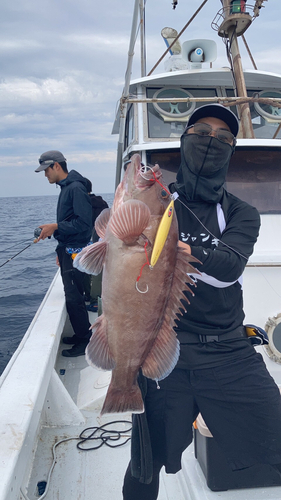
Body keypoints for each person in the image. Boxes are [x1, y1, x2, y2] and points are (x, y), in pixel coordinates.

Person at [122, 104, 281, 499]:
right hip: (162, 349)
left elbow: (227, 268)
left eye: (225, 138)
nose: (212, 141)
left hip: (228, 351)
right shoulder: (156, 203)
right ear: (183, 141)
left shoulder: (242, 213)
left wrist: (174, 249)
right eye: (201, 132)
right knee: (144, 463)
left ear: (232, 151)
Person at [35, 150, 93, 357]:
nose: (45, 175)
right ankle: (81, 335)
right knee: (73, 295)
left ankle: (85, 341)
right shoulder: (67, 187)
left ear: (56, 166)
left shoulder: (75, 188)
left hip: (75, 252)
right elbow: (72, 222)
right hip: (68, 250)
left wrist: (56, 226)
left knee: (74, 297)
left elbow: (84, 223)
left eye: (46, 170)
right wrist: (54, 230)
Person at [83, 178, 109, 312]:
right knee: (102, 271)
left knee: (92, 272)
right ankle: (100, 297)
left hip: (93, 241)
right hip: (105, 241)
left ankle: (93, 300)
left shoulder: (84, 204)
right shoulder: (102, 203)